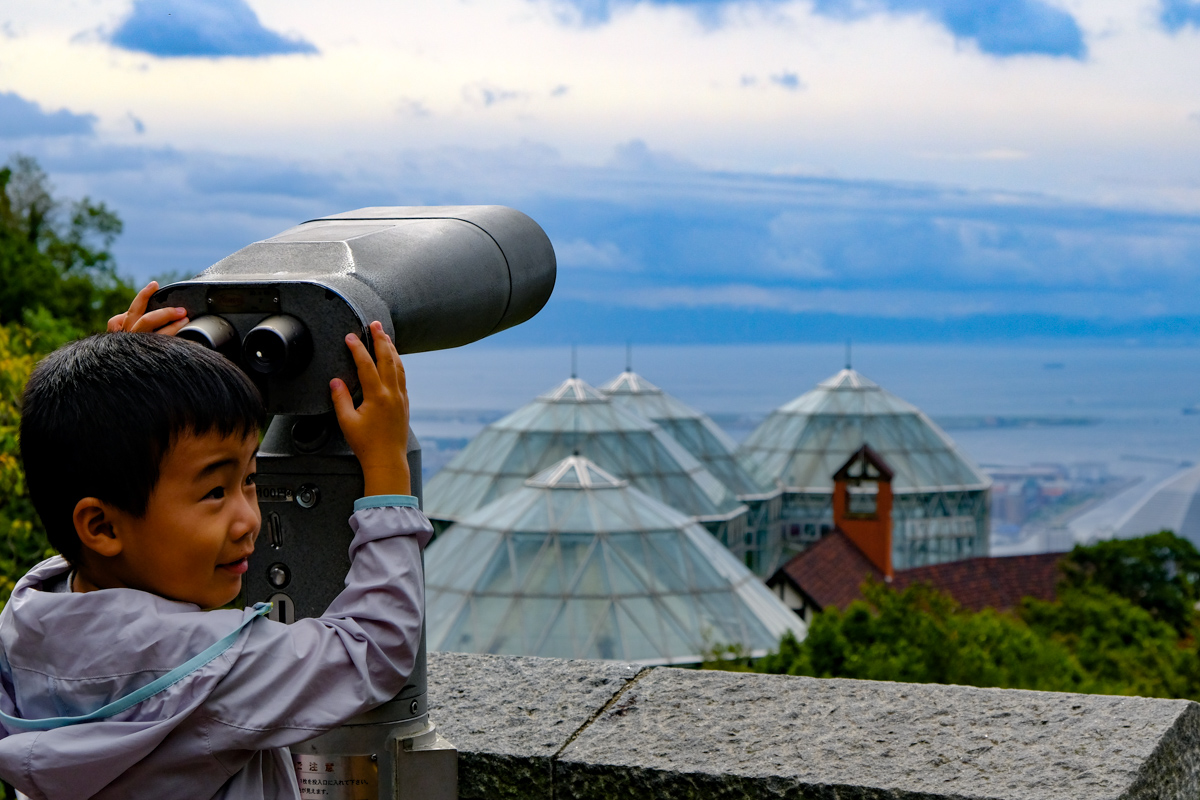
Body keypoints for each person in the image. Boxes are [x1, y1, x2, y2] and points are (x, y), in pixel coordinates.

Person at [0, 282, 431, 799]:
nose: (248, 518)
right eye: (214, 491)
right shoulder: (211, 667)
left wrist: (126, 382)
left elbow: (103, 532)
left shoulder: (27, 622)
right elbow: (373, 649)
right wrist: (387, 471)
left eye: (249, 479)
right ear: (103, 527)